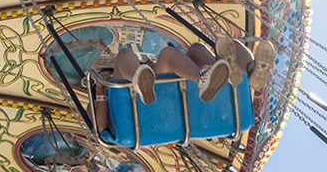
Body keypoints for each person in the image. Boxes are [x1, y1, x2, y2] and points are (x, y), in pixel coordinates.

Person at [91, 34, 275, 132]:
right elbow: (100, 127)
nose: (107, 77)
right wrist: (101, 90)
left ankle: (249, 70)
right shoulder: (106, 94)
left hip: (173, 98)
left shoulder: (154, 71)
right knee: (128, 54)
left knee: (200, 48)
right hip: (139, 107)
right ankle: (203, 77)